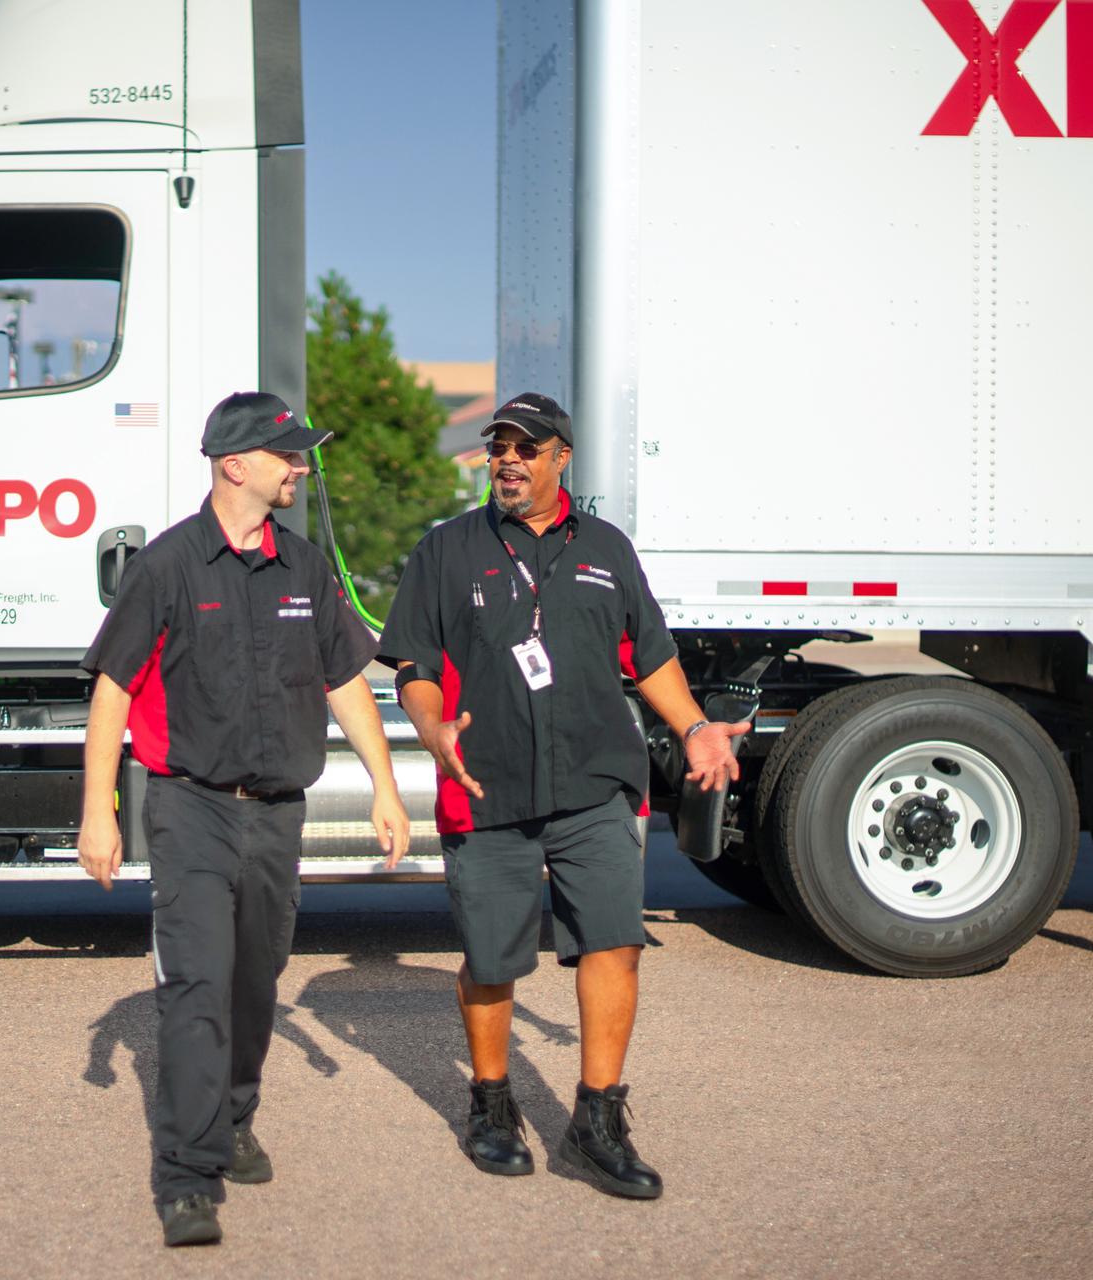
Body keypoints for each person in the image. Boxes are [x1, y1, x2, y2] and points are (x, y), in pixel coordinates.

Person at [377, 391, 747, 1200]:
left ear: (560, 459)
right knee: (492, 956)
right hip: (487, 785)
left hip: (593, 783)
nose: (508, 459)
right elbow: (414, 666)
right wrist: (433, 729)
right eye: (498, 445)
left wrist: (693, 730)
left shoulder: (607, 549)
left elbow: (648, 656)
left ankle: (597, 1119)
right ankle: (492, 1103)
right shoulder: (447, 550)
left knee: (613, 941)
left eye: (526, 447)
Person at [78, 390, 412, 1247]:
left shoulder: (304, 567)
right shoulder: (168, 565)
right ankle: (186, 1175)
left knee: (254, 983)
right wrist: (98, 812)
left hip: (277, 816)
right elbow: (113, 688)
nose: (301, 466)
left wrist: (384, 785)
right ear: (235, 465)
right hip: (190, 808)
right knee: (196, 986)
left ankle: (231, 1116)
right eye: (287, 455)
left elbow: (344, 682)